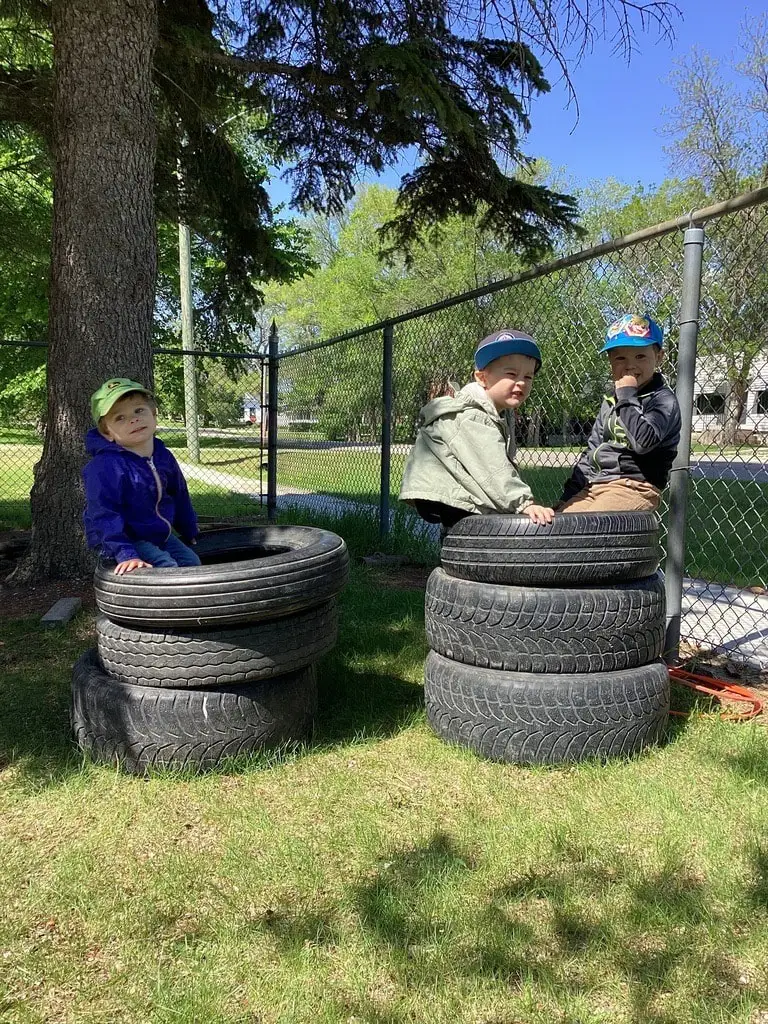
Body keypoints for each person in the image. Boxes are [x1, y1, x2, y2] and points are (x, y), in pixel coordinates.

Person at [399, 329, 554, 529]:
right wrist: (523, 502)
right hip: (446, 493)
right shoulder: (471, 416)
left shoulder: (489, 413)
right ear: (481, 378)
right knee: (489, 525)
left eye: (528, 376)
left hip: (448, 491)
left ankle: (455, 552)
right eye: (511, 374)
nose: (521, 382)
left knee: (463, 535)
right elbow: (492, 467)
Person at [557, 314, 681, 513]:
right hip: (595, 486)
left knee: (588, 528)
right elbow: (592, 452)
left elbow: (643, 442)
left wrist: (626, 396)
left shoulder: (662, 400)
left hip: (635, 487)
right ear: (610, 361)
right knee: (558, 527)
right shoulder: (611, 401)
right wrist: (567, 498)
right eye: (620, 358)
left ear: (658, 357)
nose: (630, 365)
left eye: (640, 356)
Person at [83, 377, 201, 575]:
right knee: (165, 568)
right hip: (125, 537)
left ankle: (192, 604)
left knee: (191, 562)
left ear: (154, 416)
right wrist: (125, 553)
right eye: (120, 418)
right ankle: (164, 606)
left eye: (139, 411)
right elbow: (103, 513)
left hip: (156, 533)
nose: (133, 419)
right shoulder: (105, 467)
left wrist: (189, 529)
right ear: (107, 433)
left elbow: (179, 494)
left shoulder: (163, 456)